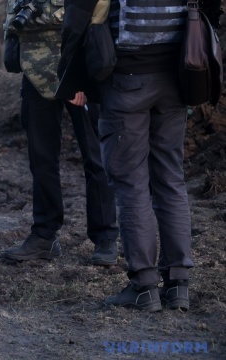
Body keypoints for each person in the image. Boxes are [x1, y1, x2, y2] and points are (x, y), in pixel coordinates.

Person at [58, 0, 198, 311]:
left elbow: (77, 19)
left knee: (132, 184)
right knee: (171, 180)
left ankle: (144, 286)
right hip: (177, 76)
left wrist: (73, 79)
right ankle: (178, 286)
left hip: (125, 82)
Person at [0, 0, 119, 265]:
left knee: (96, 157)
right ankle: (44, 235)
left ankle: (105, 237)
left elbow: (92, 15)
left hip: (78, 65)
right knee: (41, 158)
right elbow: (11, 18)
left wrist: (83, 77)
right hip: (35, 71)